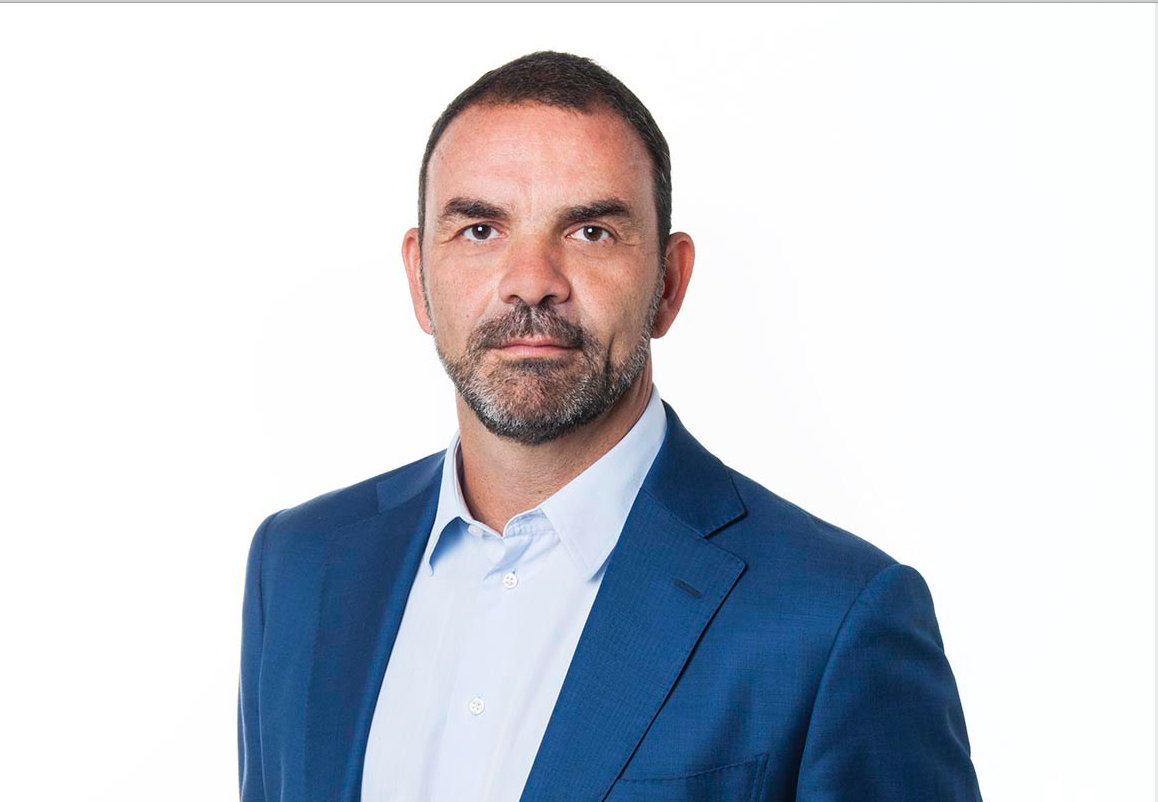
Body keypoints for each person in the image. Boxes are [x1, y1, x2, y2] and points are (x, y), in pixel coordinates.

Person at [237, 51, 982, 802]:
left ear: (670, 283)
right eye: (480, 229)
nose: (532, 281)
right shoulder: (298, 567)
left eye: (590, 231)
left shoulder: (834, 620)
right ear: (418, 279)